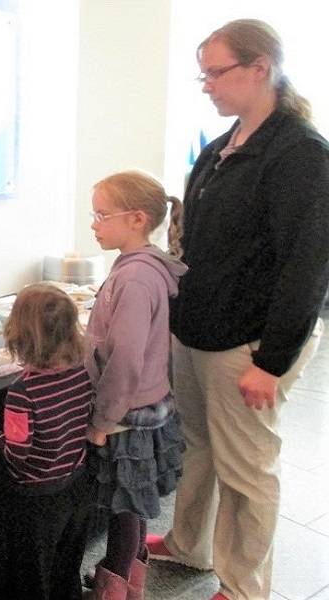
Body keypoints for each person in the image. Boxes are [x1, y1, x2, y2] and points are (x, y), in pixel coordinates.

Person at [144, 19, 329, 600]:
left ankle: (245, 586)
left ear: (259, 69)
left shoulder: (300, 154)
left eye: (215, 72)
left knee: (247, 469)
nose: (206, 85)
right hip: (200, 330)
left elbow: (308, 266)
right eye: (203, 73)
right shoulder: (222, 147)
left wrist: (270, 362)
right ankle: (188, 545)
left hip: (248, 343)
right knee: (198, 446)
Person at [83, 170, 187, 600]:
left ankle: (113, 585)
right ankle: (129, 579)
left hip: (126, 412)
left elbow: (125, 358)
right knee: (136, 499)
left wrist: (102, 419)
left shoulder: (135, 278)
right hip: (144, 402)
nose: (94, 223)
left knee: (124, 507)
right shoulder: (141, 268)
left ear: (137, 219)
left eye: (102, 215)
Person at [0, 283, 96, 600]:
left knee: (31, 575)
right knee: (66, 566)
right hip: (76, 486)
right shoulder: (82, 371)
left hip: (37, 499)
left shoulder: (23, 392)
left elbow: (15, 454)